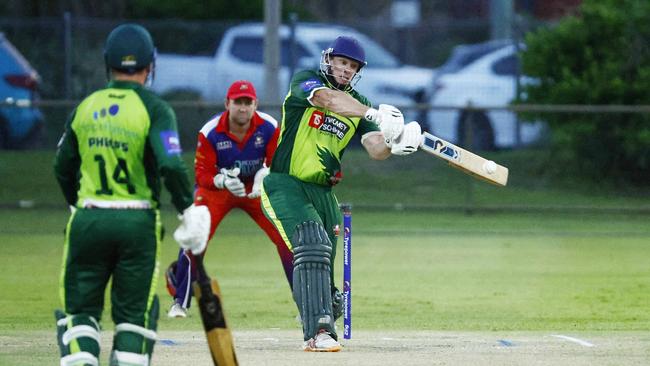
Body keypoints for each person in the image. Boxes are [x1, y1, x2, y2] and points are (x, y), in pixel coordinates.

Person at [53, 23, 209, 366]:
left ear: (107, 62)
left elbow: (62, 166)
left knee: (80, 314)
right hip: (137, 221)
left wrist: (75, 205)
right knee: (133, 318)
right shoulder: (155, 108)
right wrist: (188, 208)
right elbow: (170, 165)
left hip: (89, 216)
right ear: (150, 65)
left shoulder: (85, 106)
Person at [261, 36, 423, 352]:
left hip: (324, 193)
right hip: (286, 183)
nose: (347, 70)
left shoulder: (358, 103)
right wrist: (374, 113)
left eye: (353, 67)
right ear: (329, 60)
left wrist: (396, 143)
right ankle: (319, 332)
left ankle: (324, 308)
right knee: (312, 244)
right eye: (343, 63)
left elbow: (374, 147)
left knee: (324, 261)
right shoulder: (307, 80)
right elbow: (328, 100)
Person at [165, 80, 294, 318]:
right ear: (227, 104)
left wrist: (263, 175)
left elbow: (278, 162)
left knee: (286, 238)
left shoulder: (268, 126)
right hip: (219, 189)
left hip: (255, 189)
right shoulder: (210, 131)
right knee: (196, 236)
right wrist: (221, 181)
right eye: (238, 102)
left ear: (255, 105)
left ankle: (305, 306)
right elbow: (202, 173)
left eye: (248, 103)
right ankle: (179, 302)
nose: (243, 108)